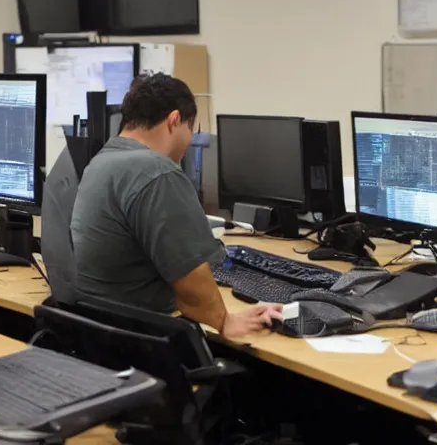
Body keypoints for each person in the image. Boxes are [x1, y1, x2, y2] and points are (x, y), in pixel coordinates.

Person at [69, 74, 281, 338]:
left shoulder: (101, 161)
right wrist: (225, 321)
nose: (190, 140)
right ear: (174, 120)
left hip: (103, 335)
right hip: (146, 340)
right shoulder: (157, 172)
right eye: (190, 129)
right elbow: (190, 277)